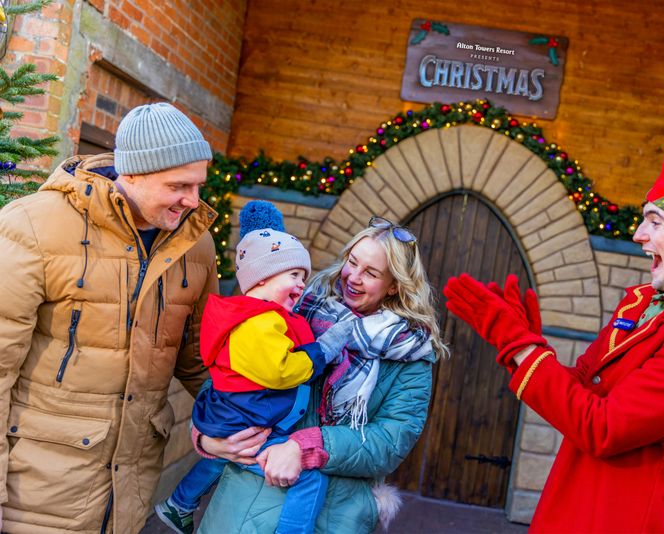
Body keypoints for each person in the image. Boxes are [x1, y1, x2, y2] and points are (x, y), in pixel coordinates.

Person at [443, 79, 664, 533]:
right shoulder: (650, 301)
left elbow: (603, 427)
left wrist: (518, 346)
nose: (639, 235)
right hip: (577, 508)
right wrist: (530, 345)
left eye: (655, 221)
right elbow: (583, 392)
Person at [0, 102, 217, 533]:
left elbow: (199, 358)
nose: (193, 201)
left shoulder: (195, 245)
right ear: (131, 173)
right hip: (38, 495)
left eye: (198, 185)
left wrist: (247, 422)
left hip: (128, 497)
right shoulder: (32, 228)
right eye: (179, 185)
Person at [196, 216, 449, 533]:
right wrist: (208, 437)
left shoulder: (410, 352)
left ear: (394, 285)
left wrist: (306, 446)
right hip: (244, 508)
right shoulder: (297, 304)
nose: (353, 278)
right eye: (352, 262)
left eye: (370, 273)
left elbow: (391, 441)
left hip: (336, 514)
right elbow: (229, 372)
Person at [155, 215, 355, 534]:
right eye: (293, 274)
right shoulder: (260, 322)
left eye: (304, 276)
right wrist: (321, 352)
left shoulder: (245, 316)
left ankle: (179, 503)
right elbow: (281, 371)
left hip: (231, 414)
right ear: (262, 279)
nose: (302, 284)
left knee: (223, 456)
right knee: (309, 479)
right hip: (246, 417)